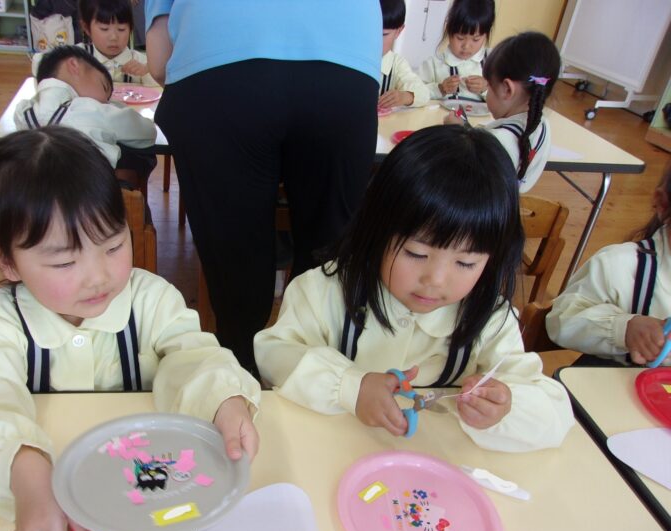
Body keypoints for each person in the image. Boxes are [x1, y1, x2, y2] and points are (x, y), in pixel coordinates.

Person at [0, 127, 260, 531]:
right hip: (56, 500)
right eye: (65, 261)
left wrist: (223, 399)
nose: (98, 277)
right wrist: (26, 473)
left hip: (153, 496)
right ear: (6, 259)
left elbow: (192, 355)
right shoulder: (0, 323)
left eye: (113, 245)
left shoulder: (150, 300)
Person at [255, 125, 574, 452]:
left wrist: (507, 407)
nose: (436, 279)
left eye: (465, 263)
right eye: (416, 254)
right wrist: (350, 387)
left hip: (435, 467)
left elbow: (556, 415)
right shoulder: (323, 291)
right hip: (328, 455)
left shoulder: (489, 319)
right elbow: (274, 354)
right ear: (378, 229)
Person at [144, 1, 382, 374]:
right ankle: (315, 378)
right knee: (326, 256)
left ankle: (241, 378)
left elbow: (159, 61)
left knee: (235, 260)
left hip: (217, 60)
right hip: (346, 59)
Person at [547, 165, 671, 366]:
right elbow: (560, 320)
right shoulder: (621, 265)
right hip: (611, 383)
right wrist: (624, 328)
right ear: (662, 203)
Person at [16, 45, 157, 187]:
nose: (104, 100)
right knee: (141, 155)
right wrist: (114, 106)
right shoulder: (91, 109)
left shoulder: (23, 112)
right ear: (74, 65)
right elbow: (147, 132)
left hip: (34, 192)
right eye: (104, 87)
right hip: (90, 193)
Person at [444, 31, 560, 193]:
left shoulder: (497, 141)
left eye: (490, 86)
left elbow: (462, 178)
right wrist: (466, 129)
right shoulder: (542, 124)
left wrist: (455, 133)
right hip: (510, 204)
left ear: (507, 90)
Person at [418, 0, 495, 101]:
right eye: (460, 38)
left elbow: (506, 100)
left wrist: (486, 88)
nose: (466, 46)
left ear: (486, 34)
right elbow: (414, 94)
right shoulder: (433, 64)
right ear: (448, 30)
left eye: (476, 39)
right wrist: (440, 89)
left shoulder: (493, 61)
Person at [378, 0, 430, 110]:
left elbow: (424, 93)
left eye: (383, 34)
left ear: (398, 31)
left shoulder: (397, 64)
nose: (375, 40)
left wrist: (404, 96)